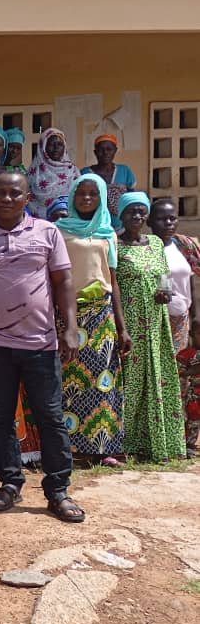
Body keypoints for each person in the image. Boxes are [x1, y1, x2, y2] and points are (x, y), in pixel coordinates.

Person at [0, 171, 86, 522]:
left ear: (27, 198)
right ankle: (10, 483)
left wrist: (70, 328)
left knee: (50, 417)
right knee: (0, 417)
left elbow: (64, 281)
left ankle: (58, 490)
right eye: (0, 193)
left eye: (15, 193)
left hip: (41, 343)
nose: (7, 199)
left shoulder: (47, 233)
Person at [54, 173, 128, 464]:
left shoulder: (108, 232)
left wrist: (122, 328)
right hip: (69, 313)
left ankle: (101, 447)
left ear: (100, 199)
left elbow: (112, 279)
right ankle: (69, 448)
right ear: (72, 196)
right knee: (69, 381)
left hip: (101, 314)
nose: (86, 198)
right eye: (81, 193)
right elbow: (55, 277)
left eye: (92, 194)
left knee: (103, 381)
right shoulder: (59, 231)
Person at [115, 192, 185, 461]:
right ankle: (127, 443)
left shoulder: (155, 243)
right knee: (131, 381)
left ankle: (159, 441)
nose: (137, 216)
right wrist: (122, 327)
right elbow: (114, 285)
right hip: (130, 322)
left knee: (157, 377)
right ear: (121, 215)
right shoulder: (116, 244)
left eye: (142, 212)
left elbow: (164, 274)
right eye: (131, 211)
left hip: (156, 322)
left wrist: (165, 292)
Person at [148, 200, 200, 453]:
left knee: (182, 380)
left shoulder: (185, 246)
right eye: (161, 219)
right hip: (153, 322)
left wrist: (196, 319)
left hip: (181, 323)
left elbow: (194, 283)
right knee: (159, 379)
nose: (168, 224)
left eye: (172, 218)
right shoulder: (145, 247)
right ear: (150, 221)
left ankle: (183, 437)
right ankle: (160, 436)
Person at [27, 128, 79, 220]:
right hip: (38, 225)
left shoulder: (73, 171)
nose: (56, 148)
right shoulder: (33, 173)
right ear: (43, 147)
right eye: (51, 144)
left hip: (68, 223)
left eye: (59, 144)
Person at [82, 134, 136, 219]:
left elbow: (132, 197)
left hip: (121, 225)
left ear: (115, 151)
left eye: (109, 149)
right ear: (95, 152)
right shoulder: (85, 173)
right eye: (101, 150)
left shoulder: (124, 171)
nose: (105, 153)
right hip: (93, 225)